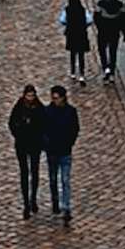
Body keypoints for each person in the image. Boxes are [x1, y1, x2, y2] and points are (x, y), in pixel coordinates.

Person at [8, 83, 46, 217]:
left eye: (32, 95)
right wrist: (18, 133)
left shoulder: (39, 108)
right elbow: (11, 123)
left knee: (34, 172)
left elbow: (44, 125)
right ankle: (26, 203)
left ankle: (33, 199)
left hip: (35, 144)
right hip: (22, 144)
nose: (30, 98)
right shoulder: (19, 107)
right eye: (28, 95)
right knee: (24, 172)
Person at [44, 83, 80, 219]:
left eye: (57, 98)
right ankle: (55, 203)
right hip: (52, 151)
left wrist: (70, 143)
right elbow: (43, 129)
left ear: (63, 98)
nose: (55, 100)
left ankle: (66, 206)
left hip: (65, 151)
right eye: (53, 98)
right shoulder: (47, 111)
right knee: (53, 179)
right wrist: (46, 144)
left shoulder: (70, 111)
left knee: (65, 180)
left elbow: (75, 129)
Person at [92, 0, 124, 82]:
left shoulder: (101, 4)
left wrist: (100, 28)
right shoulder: (119, 5)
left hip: (103, 32)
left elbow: (96, 18)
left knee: (102, 52)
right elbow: (122, 20)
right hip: (114, 33)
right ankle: (112, 72)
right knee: (113, 52)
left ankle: (106, 69)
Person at [61, 0, 90, 85]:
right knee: (81, 55)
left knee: (72, 54)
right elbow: (89, 20)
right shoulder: (82, 10)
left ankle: (73, 72)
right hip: (81, 34)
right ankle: (81, 74)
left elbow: (62, 20)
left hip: (71, 35)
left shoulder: (67, 10)